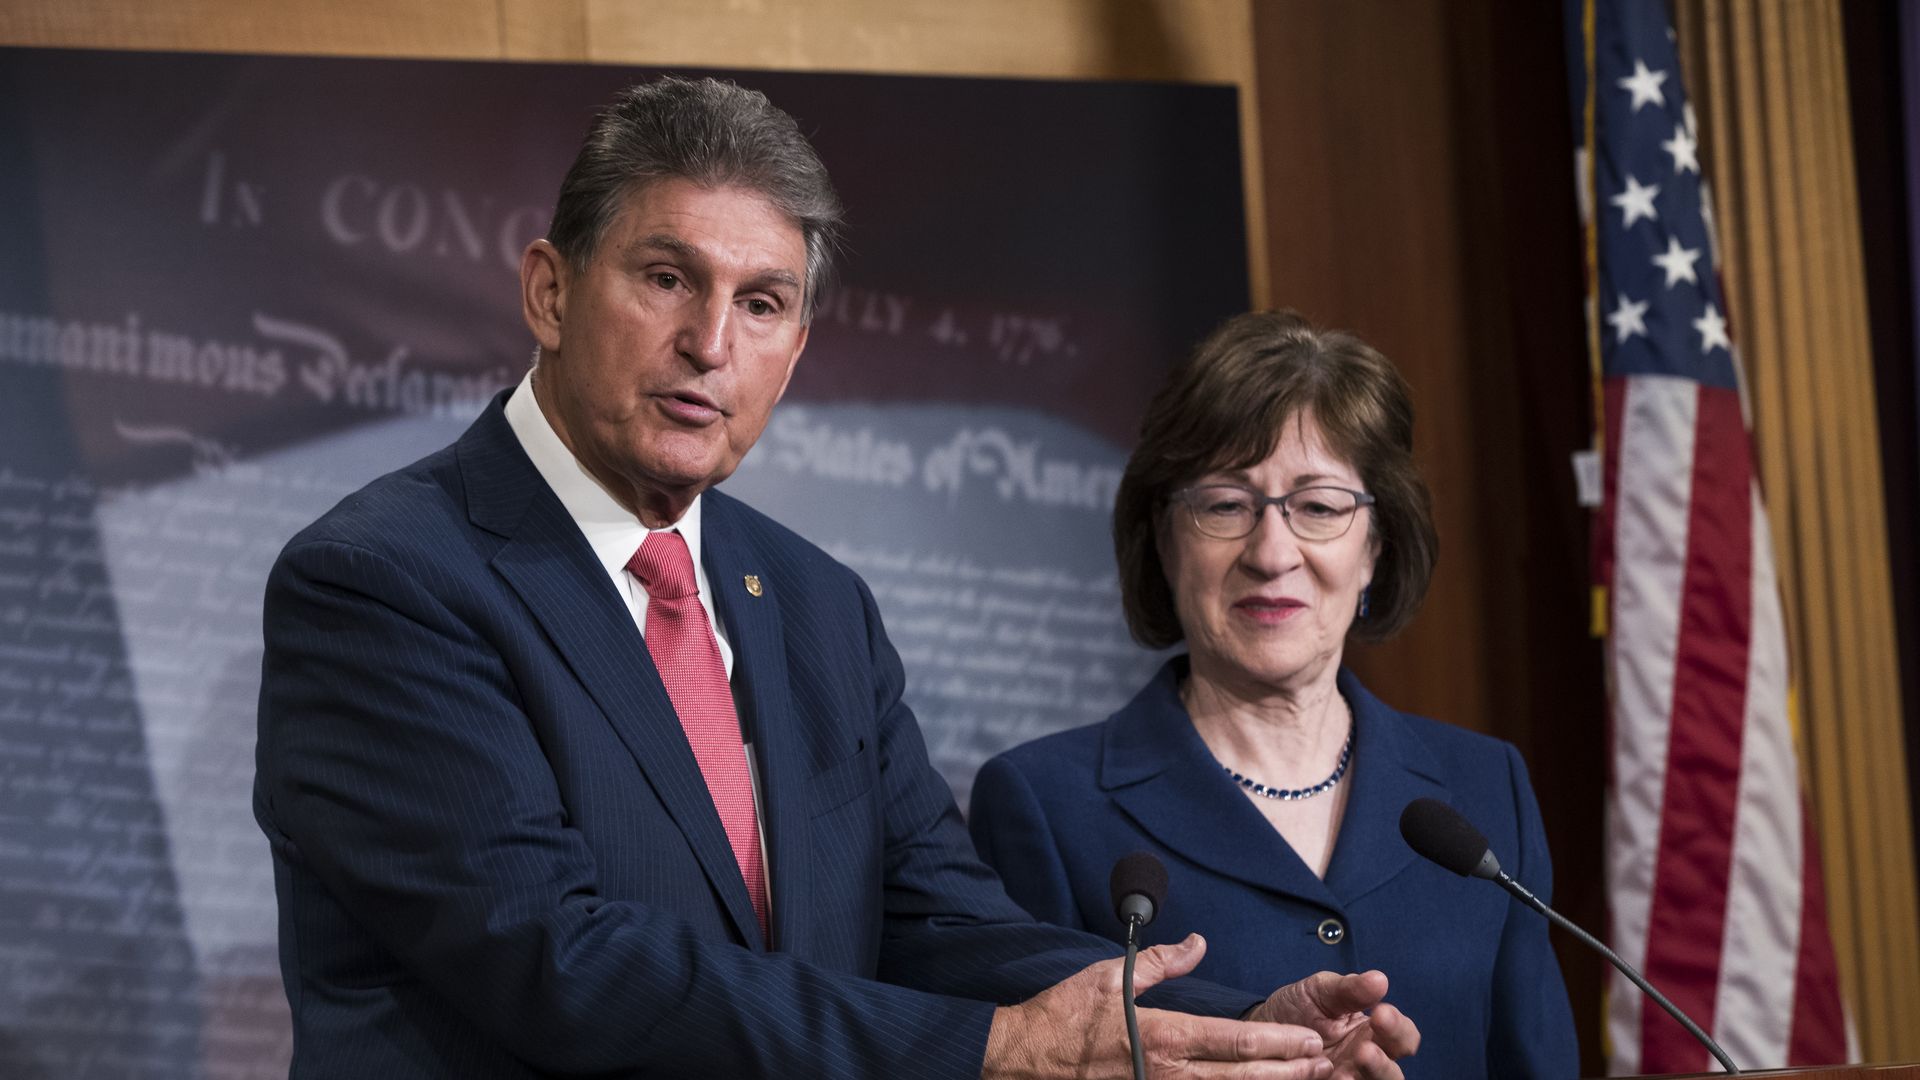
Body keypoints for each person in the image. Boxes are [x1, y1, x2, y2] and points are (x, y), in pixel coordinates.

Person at [253, 79, 1421, 1078]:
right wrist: (986, 1052)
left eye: (762, 304)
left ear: (797, 346)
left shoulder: (812, 604)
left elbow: (938, 920)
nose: (712, 342)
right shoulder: (385, 582)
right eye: (667, 278)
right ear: (551, 292)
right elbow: (557, 955)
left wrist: (1228, 1035)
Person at [969, 311, 1579, 1078]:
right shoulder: (1042, 805)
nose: (1271, 551)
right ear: (1164, 541)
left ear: (1375, 549)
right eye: (1225, 505)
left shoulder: (1488, 791)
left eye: (1319, 507)